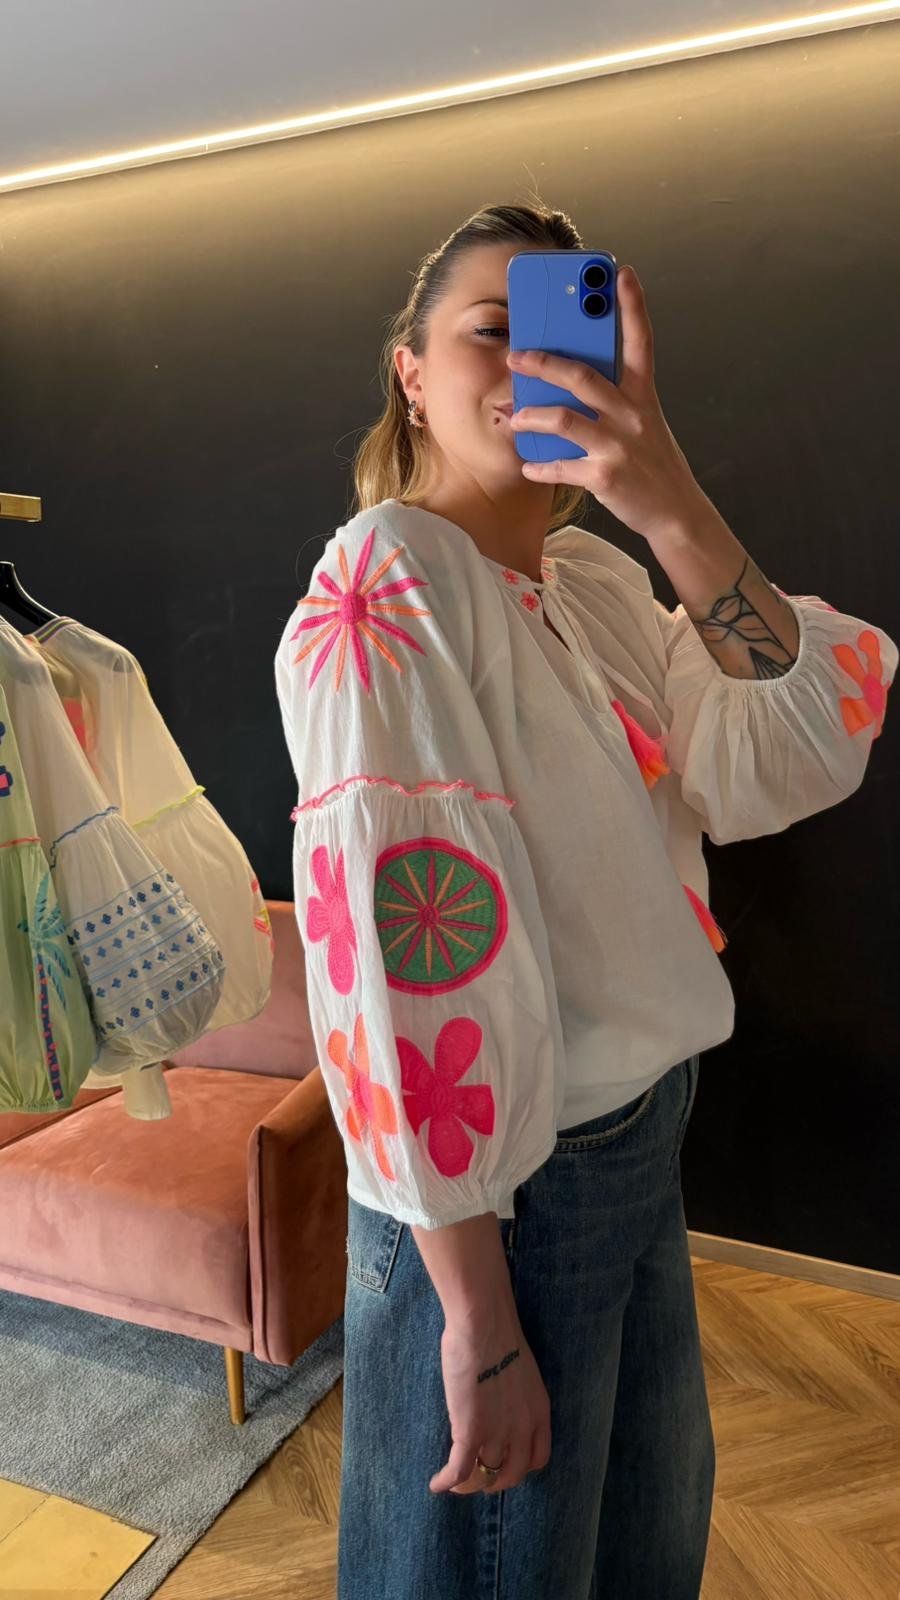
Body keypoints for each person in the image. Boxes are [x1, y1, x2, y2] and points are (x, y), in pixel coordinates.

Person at [273, 201, 896, 1599]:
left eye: (567, 335)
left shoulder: (599, 582)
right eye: (490, 330)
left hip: (638, 1143)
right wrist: (477, 1317)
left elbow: (795, 752)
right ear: (411, 375)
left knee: (635, 1556)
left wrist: (665, 493)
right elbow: (391, 961)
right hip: (507, 1195)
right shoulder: (390, 574)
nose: (531, 364)